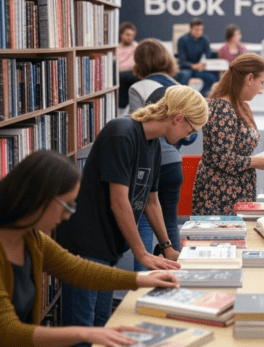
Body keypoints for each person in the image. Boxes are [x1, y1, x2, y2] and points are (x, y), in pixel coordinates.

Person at [56, 85, 208, 340]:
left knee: (103, 325)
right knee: (82, 332)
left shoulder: (154, 145)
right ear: (178, 118)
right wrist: (141, 253)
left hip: (109, 249)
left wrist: (167, 246)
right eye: (190, 130)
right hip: (86, 246)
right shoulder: (122, 133)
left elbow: (151, 201)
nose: (186, 137)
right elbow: (119, 202)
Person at [0, 150, 180, 347]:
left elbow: (78, 270)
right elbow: (8, 332)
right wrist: (85, 333)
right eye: (67, 206)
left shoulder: (32, 239)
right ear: (40, 197)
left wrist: (140, 279)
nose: (68, 216)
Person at [128, 39, 195, 270]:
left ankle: (145, 282)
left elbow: (135, 126)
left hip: (148, 165)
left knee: (145, 222)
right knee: (171, 222)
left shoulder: (138, 88)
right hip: (174, 164)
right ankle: (176, 275)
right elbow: (192, 135)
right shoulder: (179, 87)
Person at [191, 53, 264, 215]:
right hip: (220, 194)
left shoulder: (240, 106)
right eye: (261, 83)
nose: (261, 90)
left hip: (234, 191)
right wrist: (255, 162)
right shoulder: (222, 108)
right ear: (249, 78)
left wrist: (256, 161)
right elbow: (221, 158)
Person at [175, 18, 218, 96]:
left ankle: (202, 95)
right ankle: (182, 96)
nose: (199, 32)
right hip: (186, 68)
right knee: (184, 75)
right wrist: (193, 66)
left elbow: (208, 56)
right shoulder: (182, 40)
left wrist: (205, 64)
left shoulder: (204, 39)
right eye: (196, 29)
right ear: (191, 29)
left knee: (212, 77)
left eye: (201, 30)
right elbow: (182, 62)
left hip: (198, 69)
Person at [118, 21, 140, 109]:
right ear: (121, 35)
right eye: (127, 34)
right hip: (120, 74)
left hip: (133, 73)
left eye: (132, 35)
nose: (130, 37)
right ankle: (122, 108)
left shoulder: (137, 47)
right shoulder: (115, 48)